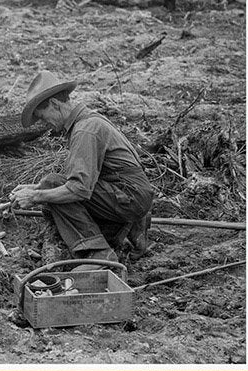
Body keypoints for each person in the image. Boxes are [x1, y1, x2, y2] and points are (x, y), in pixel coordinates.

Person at [10, 71, 154, 264]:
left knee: (52, 186)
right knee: (50, 184)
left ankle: (98, 253)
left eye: (44, 118)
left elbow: (78, 190)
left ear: (54, 104)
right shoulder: (87, 120)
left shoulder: (85, 129)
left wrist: (36, 196)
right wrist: (33, 188)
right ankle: (127, 229)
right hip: (128, 192)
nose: (48, 125)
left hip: (129, 197)